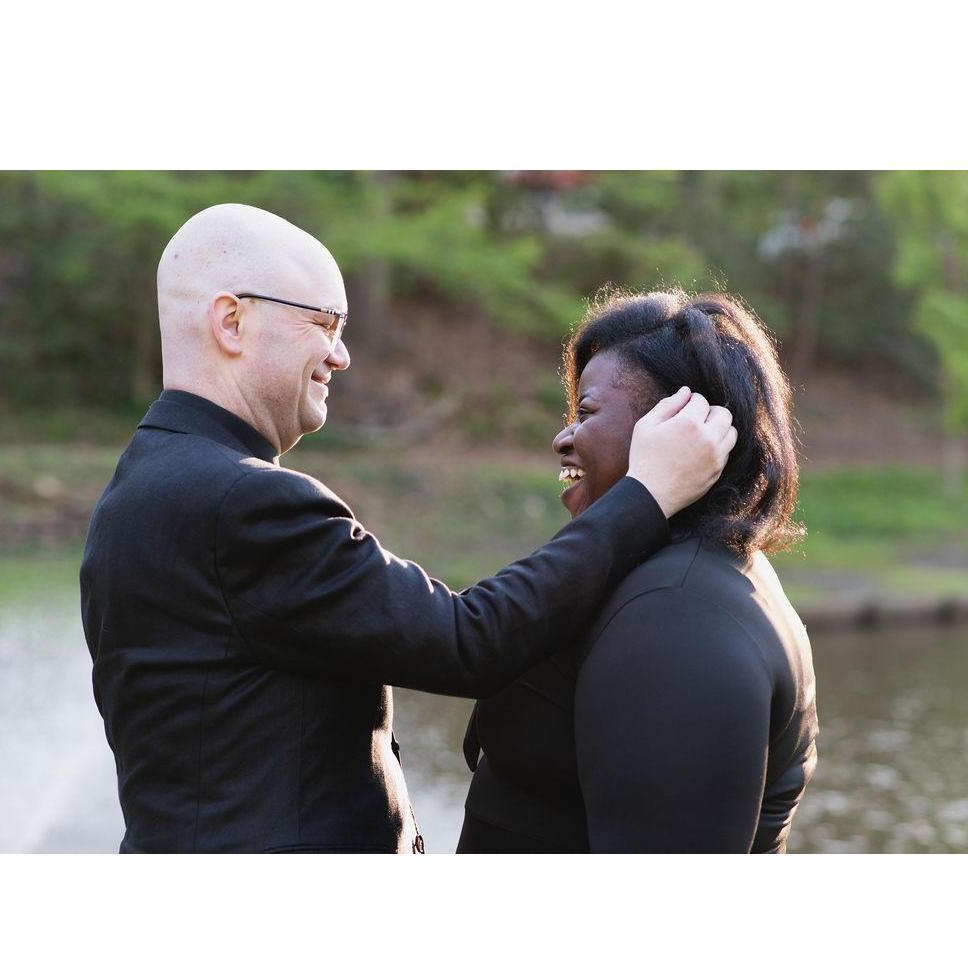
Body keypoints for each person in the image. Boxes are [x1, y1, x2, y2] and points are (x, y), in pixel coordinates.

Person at [80, 205, 737, 854]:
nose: (340, 356)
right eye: (324, 323)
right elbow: (468, 639)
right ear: (232, 322)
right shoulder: (245, 502)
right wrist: (647, 493)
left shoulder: (139, 487)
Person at [458, 289, 818, 854]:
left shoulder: (678, 615)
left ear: (681, 427)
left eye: (585, 413)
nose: (561, 438)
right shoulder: (676, 574)